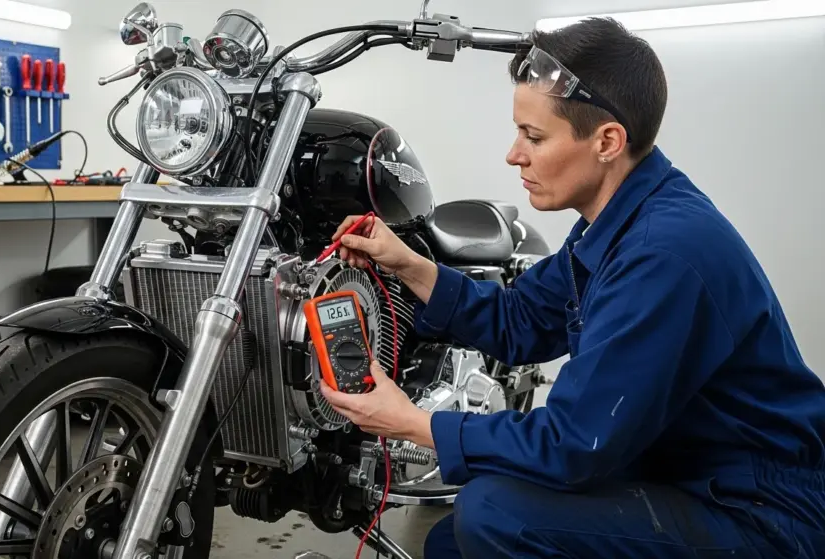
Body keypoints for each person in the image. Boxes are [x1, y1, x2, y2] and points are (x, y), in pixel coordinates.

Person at [319, 17, 825, 559]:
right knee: (451, 544)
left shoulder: (663, 254)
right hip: (678, 469)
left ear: (607, 140)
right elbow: (520, 320)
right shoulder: (618, 220)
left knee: (493, 516)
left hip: (758, 514)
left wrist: (416, 424)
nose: (515, 155)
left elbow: (575, 442)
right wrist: (408, 264)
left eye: (534, 137)